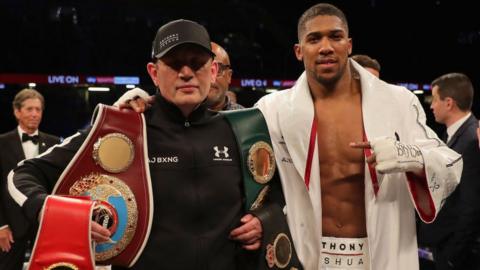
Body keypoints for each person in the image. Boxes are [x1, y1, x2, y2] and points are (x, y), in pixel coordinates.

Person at [8, 19, 300, 270]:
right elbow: (21, 175)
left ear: (213, 72)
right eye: (174, 64)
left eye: (197, 64)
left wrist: (263, 219)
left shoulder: (239, 131)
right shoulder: (123, 127)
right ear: (153, 72)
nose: (186, 72)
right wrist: (66, 217)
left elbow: (278, 193)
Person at [254, 4, 462, 270]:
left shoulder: (397, 102)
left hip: (382, 253)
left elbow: (451, 164)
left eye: (335, 36)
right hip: (309, 256)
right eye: (314, 39)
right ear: (298, 51)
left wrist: (406, 155)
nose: (326, 46)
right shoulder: (272, 110)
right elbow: (256, 184)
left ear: (349, 45)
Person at [418, 73, 480, 270]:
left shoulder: (472, 139)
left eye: (435, 99)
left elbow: (471, 205)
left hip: (458, 254)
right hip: (445, 245)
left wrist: (453, 255)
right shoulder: (451, 134)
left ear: (449, 103)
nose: (431, 105)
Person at [0, 88, 60, 270]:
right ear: (17, 112)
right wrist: (0, 226)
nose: (34, 114)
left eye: (38, 109)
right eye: (29, 109)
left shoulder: (55, 143)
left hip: (45, 223)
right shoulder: (1, 143)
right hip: (10, 225)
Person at [207, 42, 244, 111]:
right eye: (204, 70)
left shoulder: (246, 118)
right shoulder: (182, 118)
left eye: (218, 70)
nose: (210, 78)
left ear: (229, 76)